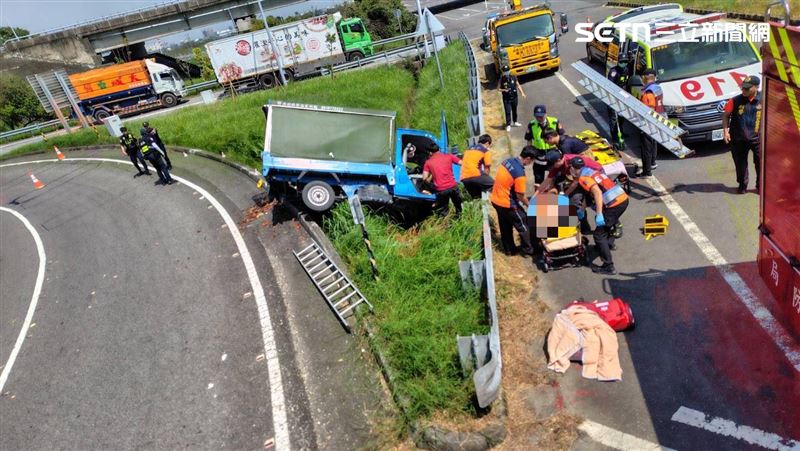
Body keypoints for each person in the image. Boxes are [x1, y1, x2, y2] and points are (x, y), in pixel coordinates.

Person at [569, 157, 628, 275]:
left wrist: (600, 213)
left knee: (599, 235)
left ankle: (609, 266)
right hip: (622, 199)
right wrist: (582, 209)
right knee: (606, 225)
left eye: (570, 168)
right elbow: (588, 194)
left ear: (573, 168)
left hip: (614, 204)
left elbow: (597, 193)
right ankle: (608, 244)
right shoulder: (590, 171)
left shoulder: (584, 178)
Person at [535, 150, 603, 234]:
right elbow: (547, 181)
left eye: (552, 165)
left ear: (559, 160)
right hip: (581, 179)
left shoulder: (573, 163)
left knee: (596, 203)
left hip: (595, 177)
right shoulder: (557, 165)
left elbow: (575, 183)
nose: (552, 167)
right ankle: (584, 226)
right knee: (575, 203)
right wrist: (535, 196)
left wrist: (565, 194)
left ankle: (607, 223)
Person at [490, 147, 536, 256]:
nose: (531, 163)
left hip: (496, 200)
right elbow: (520, 195)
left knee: (505, 225)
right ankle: (528, 250)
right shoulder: (519, 173)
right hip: (508, 204)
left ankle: (509, 250)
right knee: (524, 224)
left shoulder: (508, 161)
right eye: (532, 161)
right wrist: (529, 205)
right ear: (528, 158)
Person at [722, 75, 761, 194]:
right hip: (738, 138)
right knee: (740, 164)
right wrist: (725, 131)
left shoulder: (764, 99)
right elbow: (725, 116)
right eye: (742, 88)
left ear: (756, 87)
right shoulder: (734, 101)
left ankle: (761, 185)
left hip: (758, 138)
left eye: (747, 88)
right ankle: (743, 184)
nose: (743, 90)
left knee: (761, 163)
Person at [524, 105, 564, 184]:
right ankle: (540, 192)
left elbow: (561, 137)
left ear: (546, 114)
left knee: (557, 179)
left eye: (541, 116)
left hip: (553, 154)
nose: (539, 118)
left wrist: (562, 152)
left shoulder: (555, 122)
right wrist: (530, 154)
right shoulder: (532, 125)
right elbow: (529, 140)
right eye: (537, 117)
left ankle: (556, 191)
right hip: (539, 155)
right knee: (538, 180)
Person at [422, 142, 463, 216]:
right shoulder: (449, 156)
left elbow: (424, 178)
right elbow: (461, 163)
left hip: (441, 189)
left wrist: (432, 175)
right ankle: (459, 217)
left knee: (443, 210)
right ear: (439, 149)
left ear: (430, 152)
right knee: (458, 205)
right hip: (452, 186)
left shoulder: (428, 162)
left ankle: (445, 221)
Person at [637, 68, 663, 177]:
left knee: (646, 147)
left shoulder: (648, 92)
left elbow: (649, 109)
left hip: (649, 122)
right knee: (653, 142)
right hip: (659, 119)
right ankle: (652, 162)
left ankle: (647, 171)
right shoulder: (657, 88)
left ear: (645, 78)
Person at [460, 134, 495, 199]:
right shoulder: (485, 151)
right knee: (495, 185)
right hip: (474, 174)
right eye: (489, 145)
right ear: (487, 143)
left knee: (476, 198)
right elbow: (487, 167)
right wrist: (485, 179)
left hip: (464, 178)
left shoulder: (469, 149)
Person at [607, 57, 630, 149]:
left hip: (622, 97)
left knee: (621, 116)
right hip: (613, 97)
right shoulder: (614, 72)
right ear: (618, 62)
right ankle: (615, 137)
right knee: (613, 118)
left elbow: (625, 83)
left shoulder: (626, 70)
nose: (624, 63)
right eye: (622, 62)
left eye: (625, 61)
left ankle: (621, 132)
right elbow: (610, 86)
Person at [499, 65, 527, 132]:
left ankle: (515, 122)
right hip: (506, 98)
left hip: (514, 97)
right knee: (508, 111)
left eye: (507, 71)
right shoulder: (501, 79)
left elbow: (518, 85)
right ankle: (508, 124)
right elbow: (498, 89)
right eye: (505, 71)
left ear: (509, 70)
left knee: (514, 110)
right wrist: (504, 90)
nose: (506, 72)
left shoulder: (514, 77)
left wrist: (522, 93)